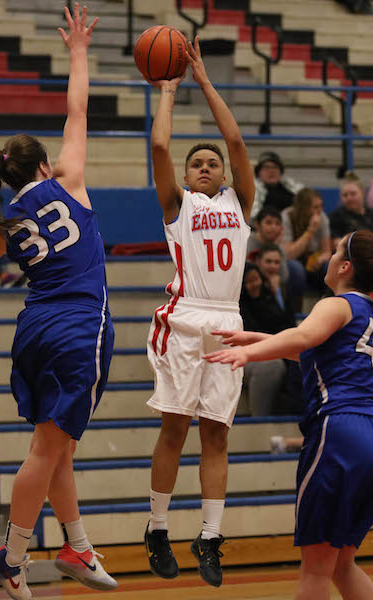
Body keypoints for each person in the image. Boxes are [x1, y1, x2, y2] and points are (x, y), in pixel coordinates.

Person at [0, 5, 117, 598]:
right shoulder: (70, 179)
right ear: (42, 165)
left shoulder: (1, 223)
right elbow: (77, 110)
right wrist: (80, 52)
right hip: (78, 326)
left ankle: (77, 547)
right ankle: (12, 556)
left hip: (33, 327)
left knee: (59, 444)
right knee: (46, 448)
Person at [204, 229, 373, 600]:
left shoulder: (336, 304)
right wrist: (260, 340)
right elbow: (319, 354)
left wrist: (247, 355)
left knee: (314, 571)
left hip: (339, 432)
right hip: (368, 437)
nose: (326, 256)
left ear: (345, 266)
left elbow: (301, 338)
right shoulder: (366, 314)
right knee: (343, 566)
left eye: (334, 251)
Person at [144, 36, 255, 588]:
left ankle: (209, 537)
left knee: (218, 436)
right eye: (199, 164)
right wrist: (168, 91)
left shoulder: (240, 203)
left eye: (213, 163)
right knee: (176, 429)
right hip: (186, 317)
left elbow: (236, 139)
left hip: (227, 321)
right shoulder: (179, 206)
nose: (207, 166)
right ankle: (158, 527)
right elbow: (160, 149)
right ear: (188, 179)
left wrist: (205, 83)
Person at [239, 262, 292, 416]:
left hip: (280, 350)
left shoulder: (270, 297)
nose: (254, 285)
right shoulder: (239, 306)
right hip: (253, 354)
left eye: (256, 279)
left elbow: (289, 325)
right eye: (248, 282)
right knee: (271, 366)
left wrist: (276, 293)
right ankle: (259, 420)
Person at [282, 188, 331, 308]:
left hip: (313, 258)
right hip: (293, 260)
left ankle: (328, 306)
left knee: (331, 265)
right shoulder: (287, 216)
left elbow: (327, 251)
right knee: (295, 268)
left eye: (321, 206)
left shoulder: (322, 217)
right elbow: (289, 254)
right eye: (315, 207)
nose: (319, 210)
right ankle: (294, 311)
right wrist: (310, 231)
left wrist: (319, 260)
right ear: (303, 208)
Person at [250, 151, 303, 221]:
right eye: (266, 167)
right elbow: (253, 216)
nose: (271, 171)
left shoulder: (290, 186)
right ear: (259, 173)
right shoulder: (253, 189)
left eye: (275, 167)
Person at [330, 172, 373, 250]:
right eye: (345, 195)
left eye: (353, 194)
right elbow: (336, 243)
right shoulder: (336, 216)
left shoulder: (371, 214)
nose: (349, 198)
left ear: (362, 192)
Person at [247, 206, 289, 283]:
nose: (273, 227)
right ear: (257, 224)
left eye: (277, 224)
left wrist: (275, 247)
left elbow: (284, 277)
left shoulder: (278, 246)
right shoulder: (247, 241)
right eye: (268, 223)